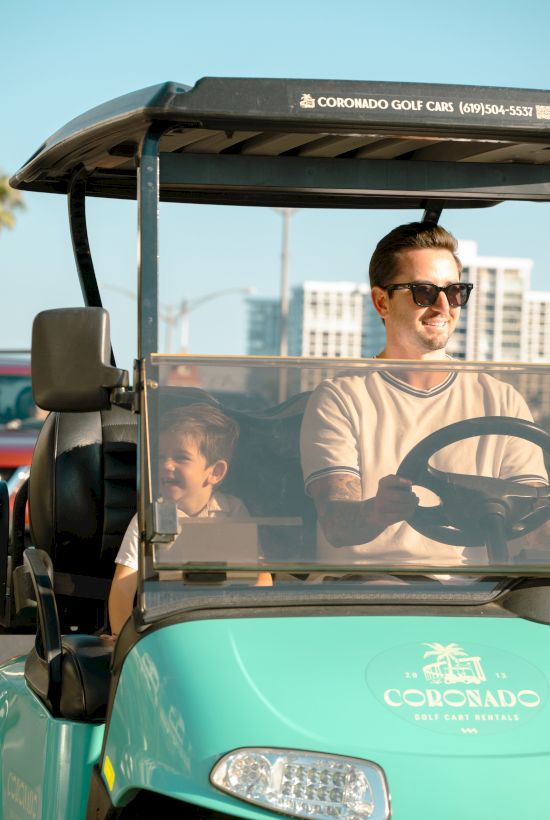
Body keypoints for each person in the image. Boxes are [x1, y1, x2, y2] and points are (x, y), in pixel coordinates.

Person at [300, 221, 547, 567]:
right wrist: (376, 512)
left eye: (456, 291)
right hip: (366, 592)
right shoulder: (341, 398)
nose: (444, 307)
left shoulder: (503, 399)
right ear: (381, 302)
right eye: (424, 292)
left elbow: (536, 521)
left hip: (479, 596)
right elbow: (336, 522)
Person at [109, 403, 271, 635]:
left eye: (181, 458)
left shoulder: (232, 511)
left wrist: (257, 626)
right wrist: (120, 638)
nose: (166, 465)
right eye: (161, 456)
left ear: (215, 472)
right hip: (165, 628)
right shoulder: (150, 517)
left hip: (223, 624)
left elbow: (259, 574)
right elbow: (124, 586)